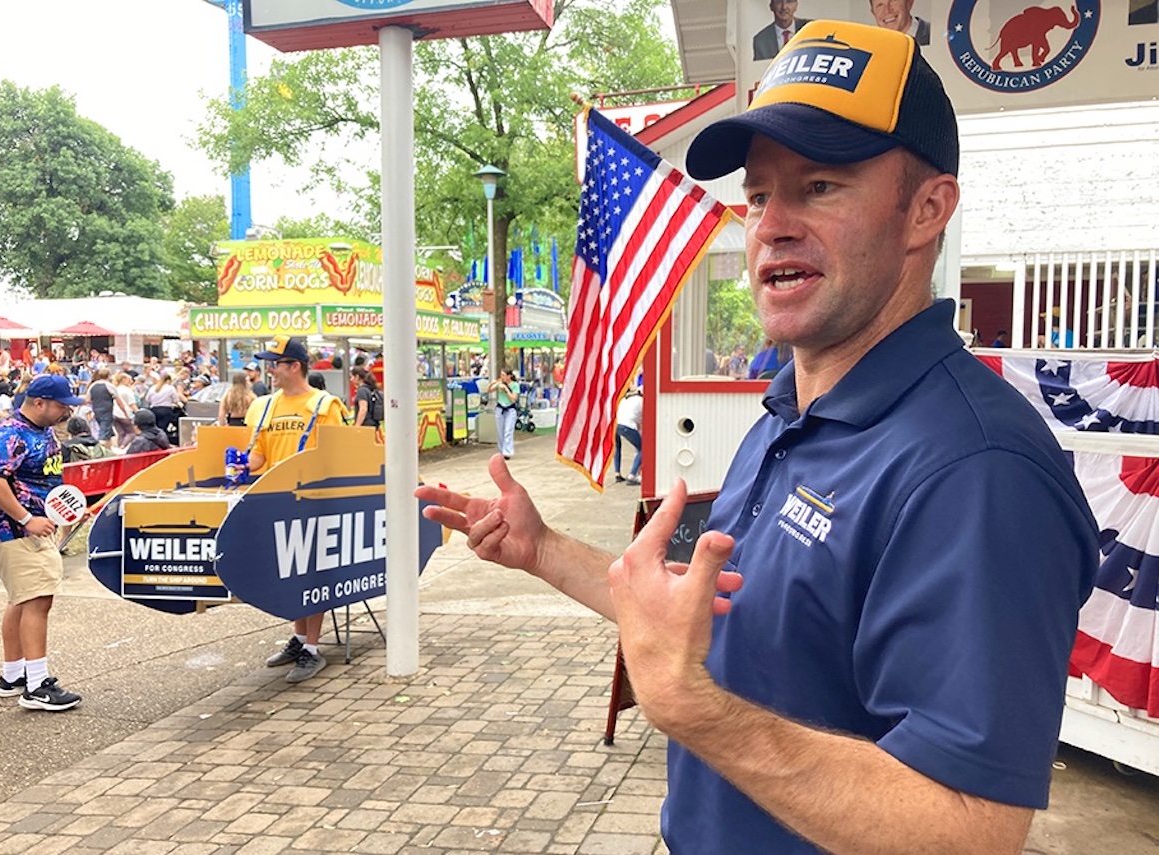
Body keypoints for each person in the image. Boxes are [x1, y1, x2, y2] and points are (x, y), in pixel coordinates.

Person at [416, 21, 1099, 854]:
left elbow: (969, 828)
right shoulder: (786, 411)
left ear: (927, 210)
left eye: (819, 186)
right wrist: (541, 548)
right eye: (758, 194)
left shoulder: (976, 471)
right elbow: (705, 621)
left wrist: (697, 711)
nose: (771, 223)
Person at [0, 375, 87, 711]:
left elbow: (46, 479)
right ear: (38, 401)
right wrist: (27, 519)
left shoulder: (41, 431)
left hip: (31, 526)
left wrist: (68, 509)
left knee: (23, 599)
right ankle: (37, 684)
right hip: (15, 529)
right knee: (38, 599)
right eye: (60, 405)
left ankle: (14, 675)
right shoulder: (9, 432)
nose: (64, 412)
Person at [248, 336, 347, 683]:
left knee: (312, 573)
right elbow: (259, 452)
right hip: (277, 500)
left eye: (275, 364)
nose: (269, 370)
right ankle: (301, 638)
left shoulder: (325, 405)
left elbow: (337, 454)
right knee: (290, 573)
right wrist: (242, 463)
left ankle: (313, 650)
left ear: (295, 366)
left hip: (314, 501)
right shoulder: (266, 406)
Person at [613, 388, 643, 485]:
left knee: (617, 448)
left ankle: (617, 473)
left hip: (616, 425)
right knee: (643, 449)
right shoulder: (642, 401)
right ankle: (632, 475)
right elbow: (641, 422)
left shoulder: (624, 399)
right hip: (628, 426)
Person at [488, 369, 520, 460]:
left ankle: (508, 451)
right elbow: (489, 391)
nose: (502, 377)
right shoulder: (499, 383)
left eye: (503, 375)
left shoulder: (514, 385)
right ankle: (501, 450)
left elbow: (513, 399)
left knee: (508, 431)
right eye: (501, 375)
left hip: (510, 409)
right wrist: (492, 383)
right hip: (500, 409)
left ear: (509, 376)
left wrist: (506, 389)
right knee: (500, 431)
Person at [144, 373, 184, 441]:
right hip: (166, 410)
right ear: (168, 380)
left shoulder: (153, 387)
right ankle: (161, 442)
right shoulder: (170, 388)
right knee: (163, 429)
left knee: (155, 428)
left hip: (154, 410)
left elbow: (147, 399)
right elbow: (176, 400)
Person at [85, 367, 116, 449]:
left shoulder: (92, 386)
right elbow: (118, 400)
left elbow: (87, 400)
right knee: (104, 434)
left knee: (107, 432)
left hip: (96, 410)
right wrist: (125, 412)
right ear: (108, 376)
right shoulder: (109, 385)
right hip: (107, 411)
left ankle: (109, 450)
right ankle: (99, 450)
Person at [111, 371, 139, 449]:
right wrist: (138, 412)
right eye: (128, 380)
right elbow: (132, 404)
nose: (130, 382)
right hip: (125, 414)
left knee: (121, 433)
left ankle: (120, 446)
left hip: (114, 413)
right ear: (123, 380)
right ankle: (123, 446)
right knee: (131, 433)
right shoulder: (127, 390)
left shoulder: (115, 389)